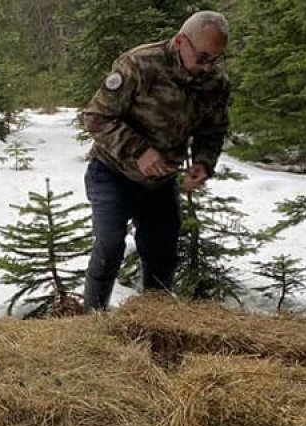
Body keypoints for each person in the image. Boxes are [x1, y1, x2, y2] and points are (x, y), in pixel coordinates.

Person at [80, 10, 231, 311]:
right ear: (181, 41)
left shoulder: (215, 81)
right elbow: (96, 118)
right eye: (202, 57)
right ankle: (91, 321)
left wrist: (203, 163)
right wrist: (139, 150)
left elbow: (212, 130)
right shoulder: (139, 63)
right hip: (112, 172)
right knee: (110, 246)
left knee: (162, 255)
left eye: (216, 59)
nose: (207, 66)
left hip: (160, 182)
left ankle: (154, 322)